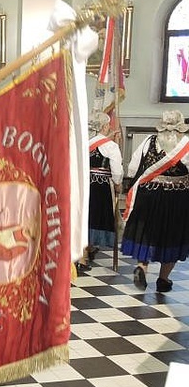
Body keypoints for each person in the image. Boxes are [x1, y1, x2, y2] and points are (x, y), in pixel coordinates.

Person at [122, 110, 189, 292]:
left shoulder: (148, 141)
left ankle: (142, 266)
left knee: (146, 232)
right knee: (171, 236)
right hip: (176, 198)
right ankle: (163, 279)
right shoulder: (186, 144)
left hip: (148, 195)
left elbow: (133, 168)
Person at [83, 112, 123, 269]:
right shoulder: (111, 146)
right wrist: (118, 183)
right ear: (105, 126)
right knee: (97, 217)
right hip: (101, 186)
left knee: (87, 216)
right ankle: (86, 252)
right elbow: (117, 170)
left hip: (86, 183)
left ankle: (87, 249)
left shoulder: (86, 142)